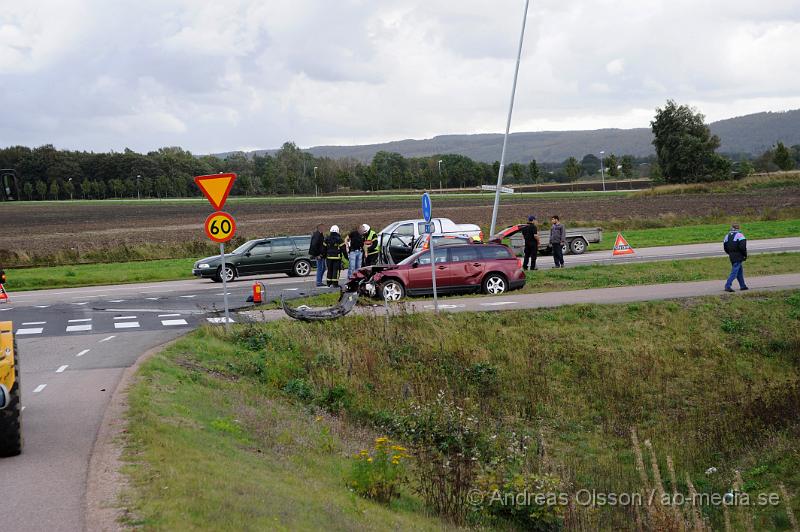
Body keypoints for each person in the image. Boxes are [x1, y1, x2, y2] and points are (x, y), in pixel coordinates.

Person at [723, 223, 749, 292]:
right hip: (739, 255)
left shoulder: (727, 236)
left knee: (739, 271)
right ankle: (727, 285)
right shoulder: (740, 235)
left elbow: (725, 248)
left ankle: (743, 286)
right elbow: (743, 247)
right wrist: (745, 255)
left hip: (731, 255)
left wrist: (730, 253)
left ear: (731, 228)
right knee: (734, 272)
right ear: (738, 228)